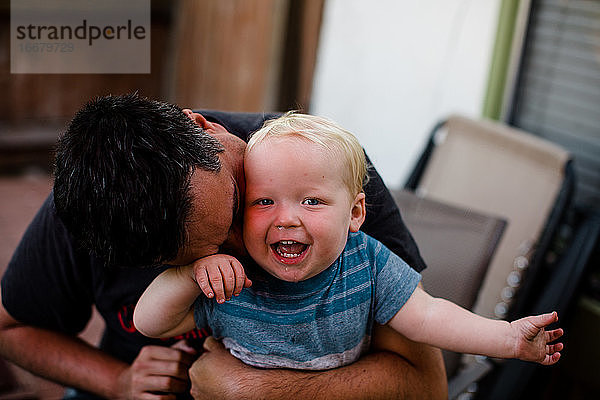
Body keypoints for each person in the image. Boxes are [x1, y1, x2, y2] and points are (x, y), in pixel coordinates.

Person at [0, 94, 447, 399]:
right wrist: (117, 381)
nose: (250, 242)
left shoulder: (321, 167)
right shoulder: (87, 208)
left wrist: (259, 391)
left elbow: (427, 383)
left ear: (203, 128)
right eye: (201, 257)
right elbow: (11, 329)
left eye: (237, 202)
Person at [134, 112, 564, 373]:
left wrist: (506, 339)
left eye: (312, 201)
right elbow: (151, 323)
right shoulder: (230, 275)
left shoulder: (368, 264)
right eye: (263, 201)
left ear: (356, 213)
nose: (287, 218)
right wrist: (190, 274)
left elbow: (429, 315)